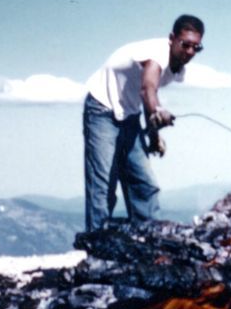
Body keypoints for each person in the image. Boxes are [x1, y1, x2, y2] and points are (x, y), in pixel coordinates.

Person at [82, 14, 205, 231]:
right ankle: (96, 247)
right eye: (185, 45)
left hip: (129, 117)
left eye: (196, 47)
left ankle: (149, 241)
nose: (190, 52)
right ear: (172, 38)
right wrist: (157, 110)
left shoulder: (178, 70)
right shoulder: (157, 54)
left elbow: (147, 98)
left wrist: (154, 136)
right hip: (101, 110)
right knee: (103, 186)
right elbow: (148, 88)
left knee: (144, 185)